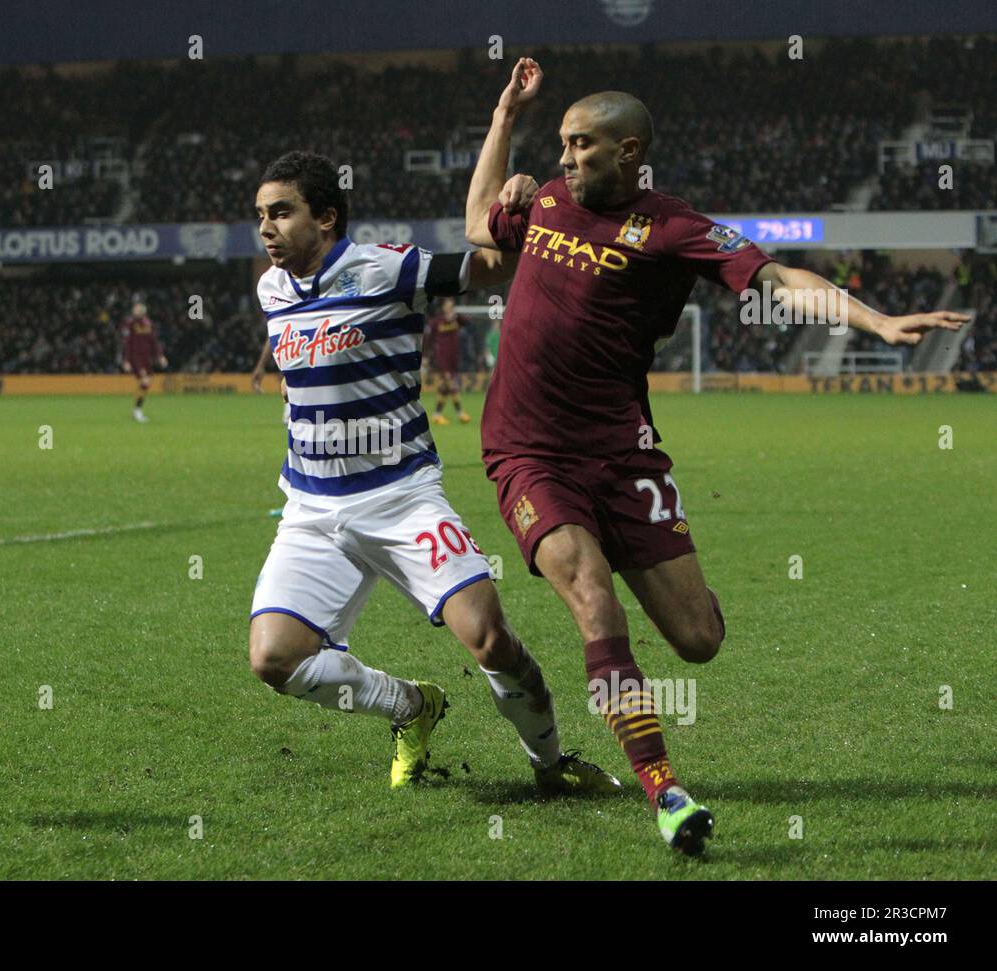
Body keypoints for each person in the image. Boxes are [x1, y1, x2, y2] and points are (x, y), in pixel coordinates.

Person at [465, 58, 969, 854]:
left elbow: (779, 278)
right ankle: (664, 790)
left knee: (698, 637)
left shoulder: (673, 229)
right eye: (561, 143)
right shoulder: (549, 202)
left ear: (629, 152)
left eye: (581, 144)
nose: (564, 160)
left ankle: (667, 589)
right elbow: (475, 225)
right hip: (529, 453)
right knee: (594, 598)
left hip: (623, 457)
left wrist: (874, 322)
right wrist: (503, 118)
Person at [248, 150, 622, 793]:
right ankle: (411, 708)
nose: (266, 228)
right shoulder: (271, 289)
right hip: (311, 510)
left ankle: (551, 765)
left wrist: (517, 209)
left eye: (282, 212)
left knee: (489, 639)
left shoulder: (385, 268)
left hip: (401, 499)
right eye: (260, 216)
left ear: (328, 218)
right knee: (274, 658)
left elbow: (491, 267)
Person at [423, 297, 470, 424]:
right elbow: (428, 340)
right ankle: (460, 413)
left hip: (453, 357)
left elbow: (468, 322)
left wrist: (457, 316)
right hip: (442, 357)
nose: (451, 307)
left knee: (445, 387)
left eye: (452, 305)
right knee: (451, 383)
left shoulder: (456, 319)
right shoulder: (437, 322)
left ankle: (437, 415)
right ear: (443, 307)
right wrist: (425, 356)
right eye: (449, 305)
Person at [119, 300, 166, 422]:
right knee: (145, 381)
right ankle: (137, 411)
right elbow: (127, 343)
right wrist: (126, 360)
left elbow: (153, 341)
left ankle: (136, 409)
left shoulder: (148, 324)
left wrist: (160, 356)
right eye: (135, 308)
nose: (136, 310)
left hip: (146, 358)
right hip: (136, 358)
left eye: (138, 308)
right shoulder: (130, 324)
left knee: (146, 383)